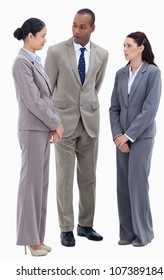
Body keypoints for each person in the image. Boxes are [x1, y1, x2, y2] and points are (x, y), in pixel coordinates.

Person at [44, 8, 108, 247]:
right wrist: (52, 123)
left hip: (90, 124)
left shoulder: (103, 54)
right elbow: (46, 91)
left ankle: (85, 225)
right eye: (74, 25)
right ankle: (66, 228)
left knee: (89, 178)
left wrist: (87, 108)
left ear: (92, 28)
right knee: (64, 178)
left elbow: (94, 88)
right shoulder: (56, 51)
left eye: (82, 27)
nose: (77, 31)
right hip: (63, 125)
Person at [12, 17, 64, 256]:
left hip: (42, 129)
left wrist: (53, 125)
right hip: (32, 129)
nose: (45, 40)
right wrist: (56, 123)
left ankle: (37, 238)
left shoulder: (35, 62)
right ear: (30, 36)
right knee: (30, 186)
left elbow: (47, 99)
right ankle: (29, 240)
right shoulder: (21, 63)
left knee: (40, 186)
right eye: (42, 35)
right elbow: (34, 101)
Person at [109, 31, 162, 247]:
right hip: (120, 138)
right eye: (123, 45)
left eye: (129, 45)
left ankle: (143, 234)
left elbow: (150, 110)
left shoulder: (152, 73)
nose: (125, 49)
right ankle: (127, 232)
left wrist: (129, 136)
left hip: (141, 138)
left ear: (141, 47)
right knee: (122, 185)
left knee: (137, 184)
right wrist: (117, 136)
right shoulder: (120, 74)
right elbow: (114, 108)